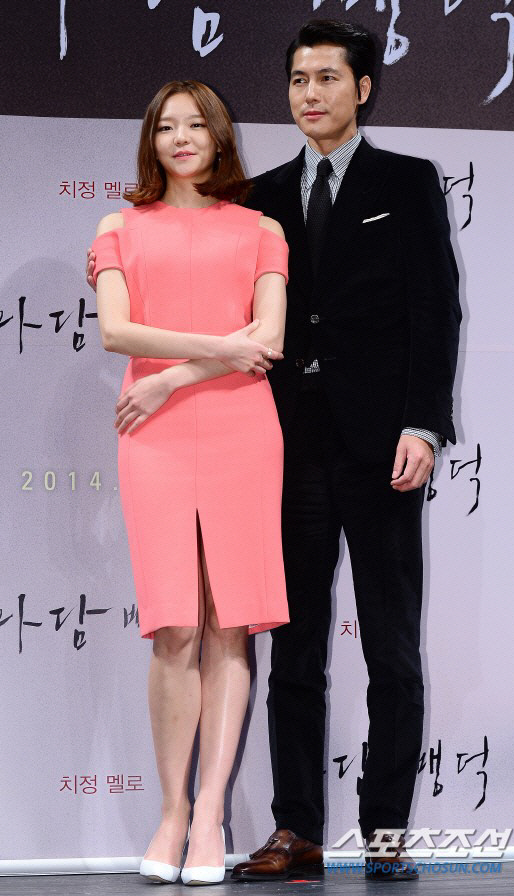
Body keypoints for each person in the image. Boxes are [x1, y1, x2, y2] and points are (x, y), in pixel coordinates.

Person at [87, 18, 461, 883]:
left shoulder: (407, 181)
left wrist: (423, 424)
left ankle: (385, 832)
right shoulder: (258, 197)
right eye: (298, 80)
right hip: (281, 444)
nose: (310, 94)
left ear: (362, 89)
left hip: (382, 445)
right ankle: (296, 829)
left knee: (390, 646)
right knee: (291, 644)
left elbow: (436, 309)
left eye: (327, 78)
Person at [89, 79, 289, 886]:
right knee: (174, 625)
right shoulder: (119, 227)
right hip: (155, 438)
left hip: (240, 427)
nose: (180, 138)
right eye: (166, 127)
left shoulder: (262, 229)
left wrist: (173, 376)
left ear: (219, 137)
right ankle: (170, 813)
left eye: (195, 125)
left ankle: (210, 818)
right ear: (151, 141)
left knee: (230, 625)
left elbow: (267, 340)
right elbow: (116, 330)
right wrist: (218, 349)